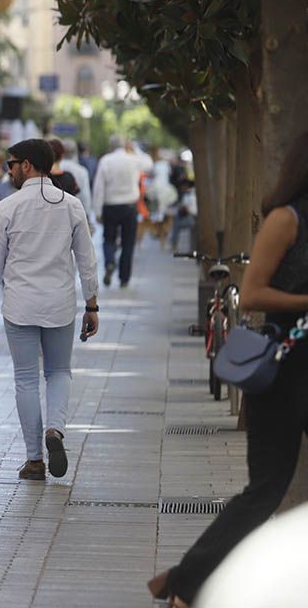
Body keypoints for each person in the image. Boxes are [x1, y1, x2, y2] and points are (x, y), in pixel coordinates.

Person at [149, 132, 308, 607]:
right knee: (265, 492)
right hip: (285, 370)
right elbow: (254, 293)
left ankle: (185, 578)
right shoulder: (287, 219)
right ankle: (190, 580)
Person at [0, 139, 99, 481]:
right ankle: (55, 431)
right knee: (59, 372)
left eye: (12, 164)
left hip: (19, 305)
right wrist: (92, 304)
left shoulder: (7, 206)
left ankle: (34, 460)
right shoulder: (72, 206)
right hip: (60, 304)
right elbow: (87, 261)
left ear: (28, 166)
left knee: (25, 379)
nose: (9, 170)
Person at [93, 135, 145, 288]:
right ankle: (124, 277)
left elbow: (99, 187)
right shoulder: (134, 160)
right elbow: (148, 164)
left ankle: (109, 262)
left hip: (110, 205)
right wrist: (135, 149)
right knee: (128, 242)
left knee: (108, 238)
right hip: (129, 206)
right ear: (125, 146)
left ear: (111, 146)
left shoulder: (105, 161)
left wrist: (97, 210)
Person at [59, 138, 94, 227]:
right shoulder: (81, 171)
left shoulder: (54, 169)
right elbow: (85, 195)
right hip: (76, 214)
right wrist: (87, 214)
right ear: (75, 152)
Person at [170, 179, 198, 254]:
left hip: (192, 218)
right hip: (193, 217)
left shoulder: (189, 195)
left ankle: (174, 244)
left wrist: (181, 208)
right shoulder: (192, 193)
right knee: (176, 221)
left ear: (185, 186)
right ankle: (173, 244)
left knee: (176, 224)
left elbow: (186, 208)